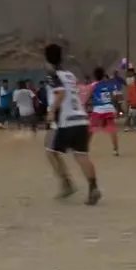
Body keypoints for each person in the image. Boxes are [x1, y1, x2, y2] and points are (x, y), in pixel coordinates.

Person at [43, 43, 100, 205]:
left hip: (65, 121)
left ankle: (66, 183)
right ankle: (93, 188)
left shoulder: (52, 76)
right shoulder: (70, 75)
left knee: (50, 150)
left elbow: (60, 94)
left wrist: (51, 111)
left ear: (47, 59)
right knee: (81, 155)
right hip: (81, 118)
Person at [87, 67, 121, 156]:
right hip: (109, 108)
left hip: (98, 109)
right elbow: (114, 98)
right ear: (103, 75)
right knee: (112, 129)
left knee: (91, 129)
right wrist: (116, 109)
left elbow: (88, 96)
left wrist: (88, 104)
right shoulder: (109, 85)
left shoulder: (93, 85)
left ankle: (84, 148)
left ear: (94, 76)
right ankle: (115, 149)